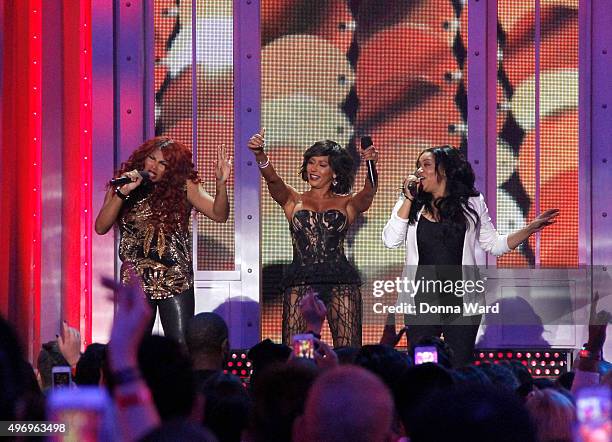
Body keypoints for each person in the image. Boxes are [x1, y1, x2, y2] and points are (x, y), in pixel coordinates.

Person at [382, 146, 558, 366]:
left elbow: (494, 244)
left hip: (461, 299)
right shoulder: (411, 203)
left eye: (426, 165)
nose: (419, 171)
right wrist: (407, 198)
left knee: (460, 364)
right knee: (423, 364)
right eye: (418, 166)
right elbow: (390, 240)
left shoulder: (472, 202)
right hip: (422, 298)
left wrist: (529, 229)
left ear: (444, 170)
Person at [248, 128, 378, 347]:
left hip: (341, 282)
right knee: (298, 350)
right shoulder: (293, 199)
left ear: (334, 172)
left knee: (348, 351)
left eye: (322, 164)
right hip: (300, 282)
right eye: (311, 162)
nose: (313, 169)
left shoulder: (347, 203)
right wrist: (260, 155)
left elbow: (368, 192)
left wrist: (371, 163)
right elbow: (273, 181)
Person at [95, 137, 230, 344]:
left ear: (173, 168)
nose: (154, 166)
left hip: (175, 278)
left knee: (180, 347)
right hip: (136, 281)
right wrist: (123, 192)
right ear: (143, 157)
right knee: (135, 348)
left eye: (163, 163)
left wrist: (221, 184)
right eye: (151, 159)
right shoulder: (123, 186)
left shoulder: (184, 186)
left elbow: (219, 215)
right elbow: (101, 227)